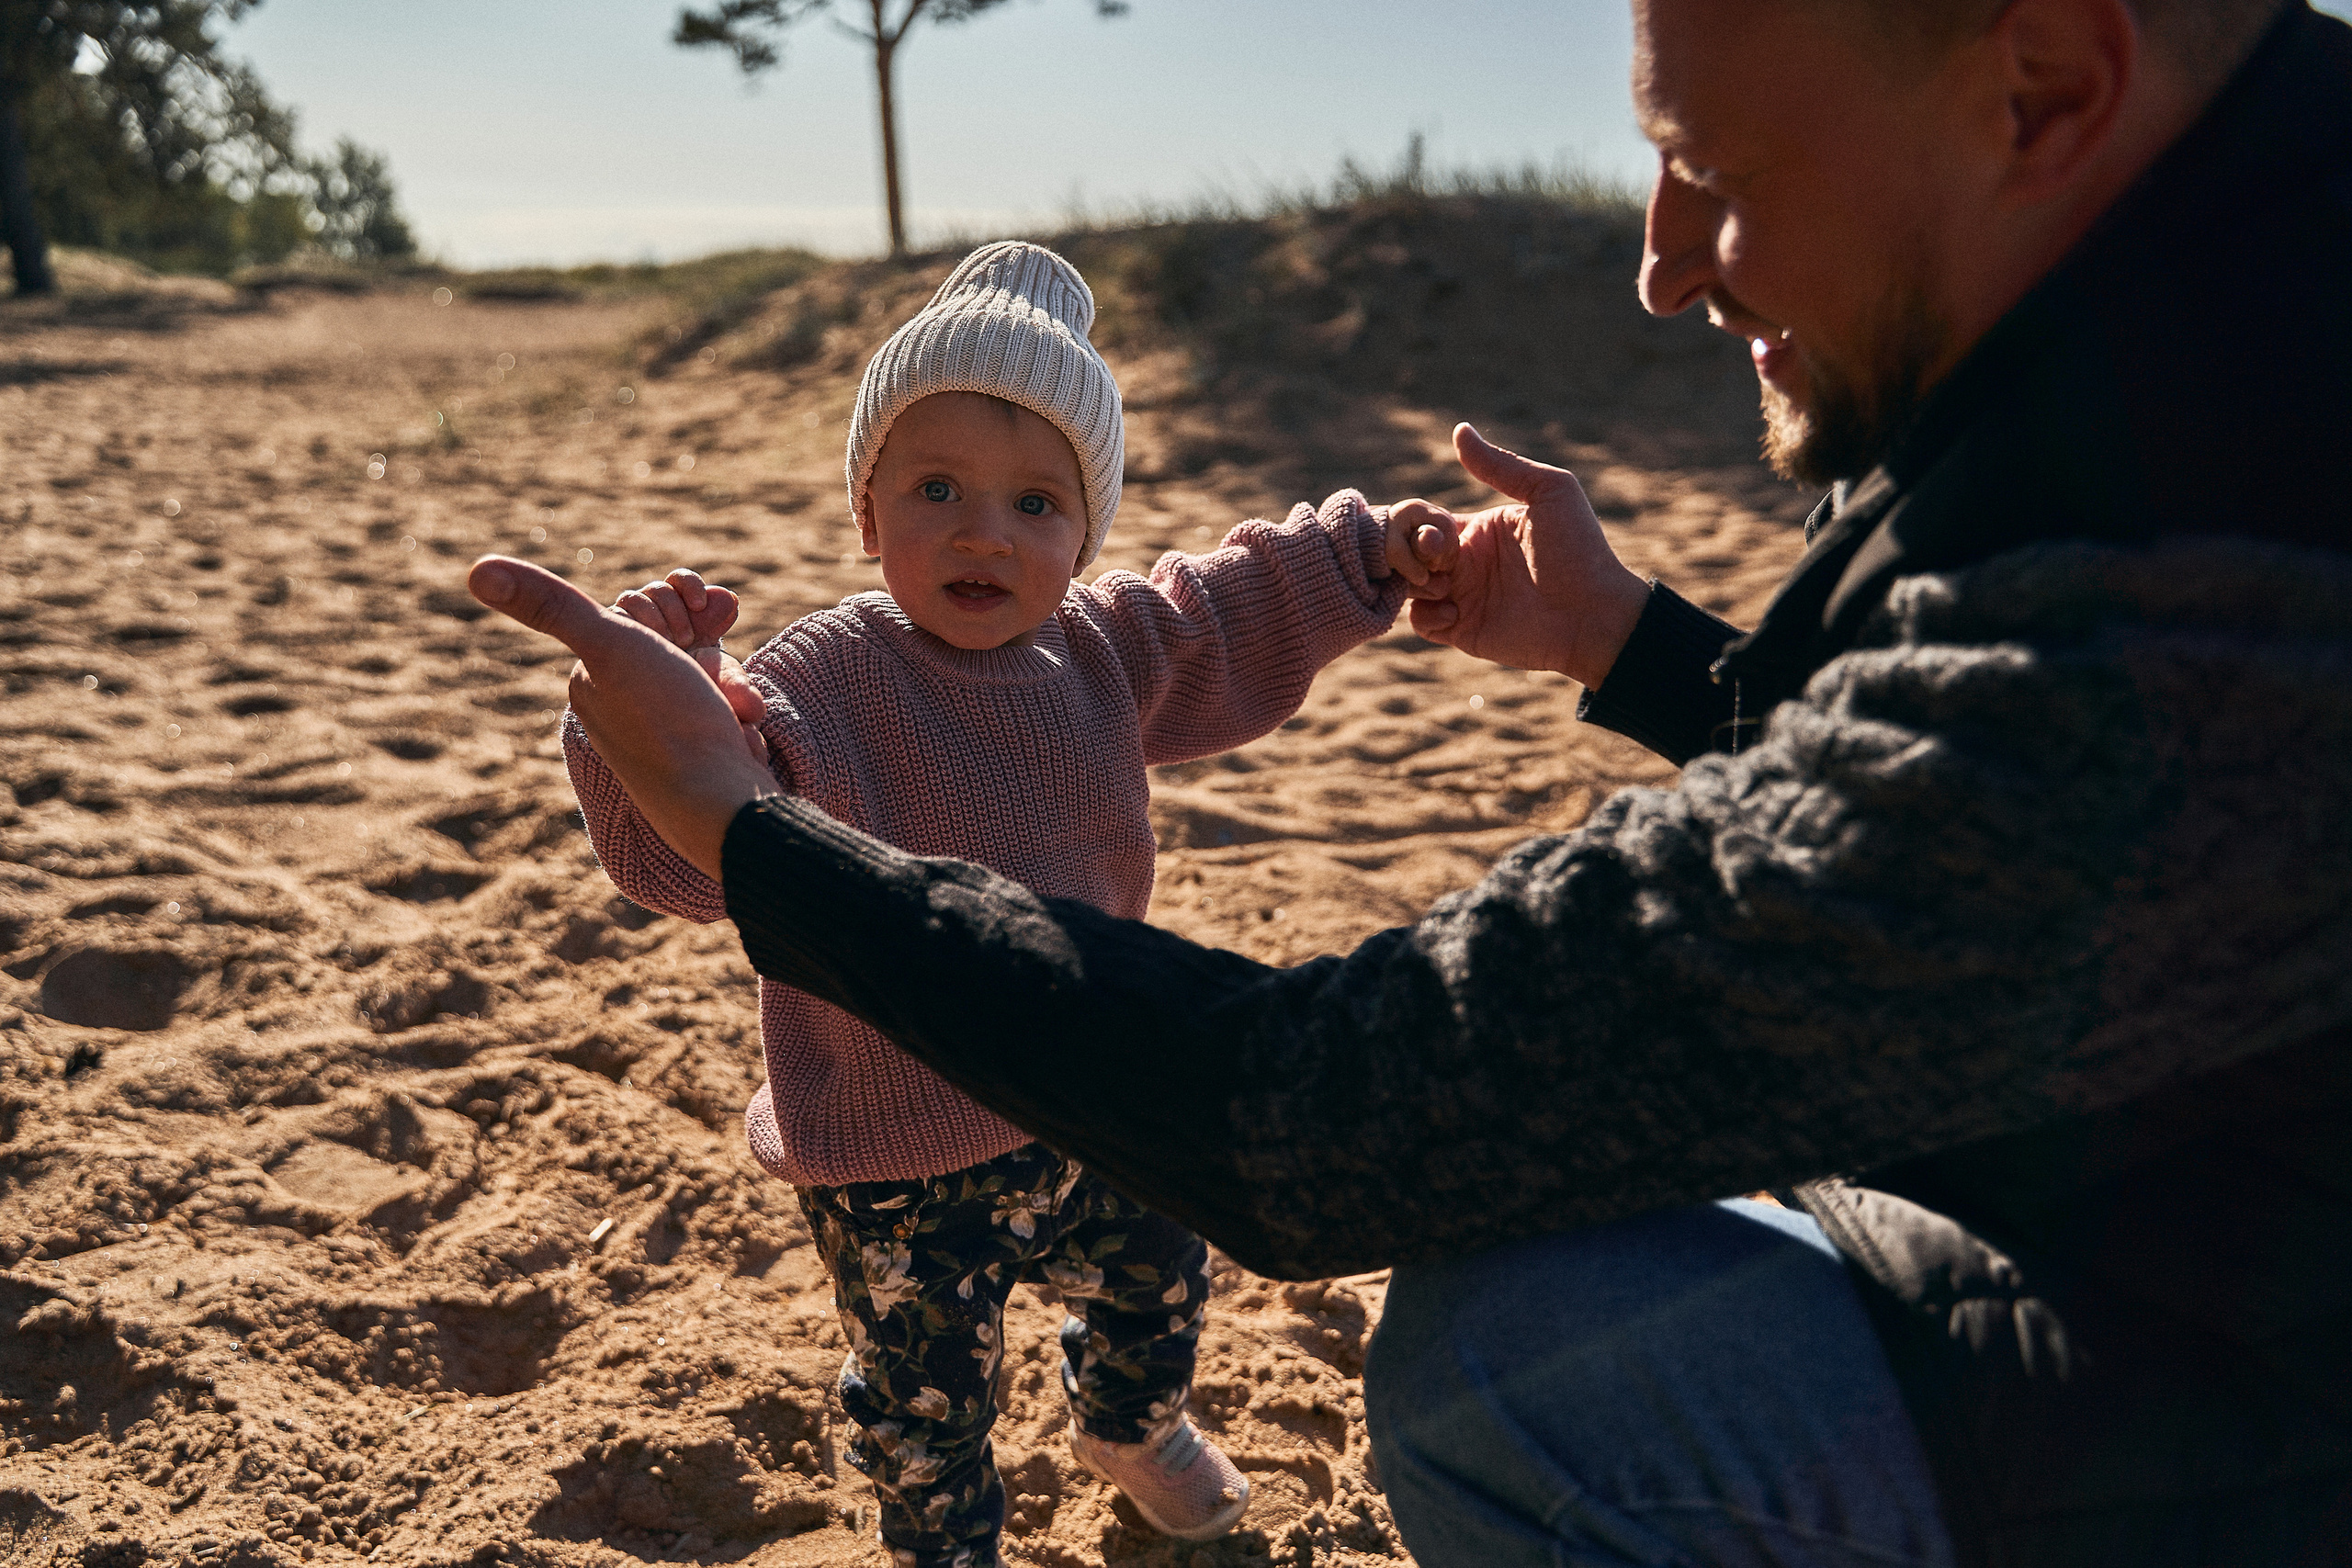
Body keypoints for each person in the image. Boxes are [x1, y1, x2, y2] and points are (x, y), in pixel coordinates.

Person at [471, 0, 2352, 1561]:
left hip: (2252, 1401)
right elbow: (1953, 821)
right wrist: (1639, 651)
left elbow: (1320, 1115)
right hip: (2175, 1210)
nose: (1659, 258)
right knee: (938, 1385)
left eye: (1713, 171)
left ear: (2042, 87)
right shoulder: (2215, 302)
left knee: (1513, 1355)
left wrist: (751, 830)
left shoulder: (2216, 584)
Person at [558, 240, 1459, 1568]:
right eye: (937, 489)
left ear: (1083, 534)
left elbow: (1222, 605)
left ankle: (1129, 1426)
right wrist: (636, 722)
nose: (986, 531)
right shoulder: (825, 679)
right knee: (929, 1406)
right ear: (868, 515)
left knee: (1161, 1267)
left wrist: (1364, 552)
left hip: (1083, 1087)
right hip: (892, 1146)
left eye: (1039, 503)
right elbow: (690, 860)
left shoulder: (1099, 651)